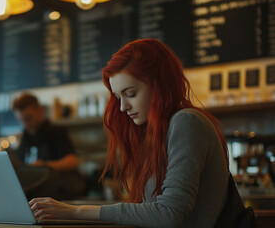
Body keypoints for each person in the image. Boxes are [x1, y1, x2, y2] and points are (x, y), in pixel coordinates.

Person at [28, 39, 233, 227]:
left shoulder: (187, 122)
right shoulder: (158, 133)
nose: (122, 107)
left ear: (160, 85)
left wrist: (75, 211)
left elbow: (169, 214)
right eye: (118, 97)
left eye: (131, 94)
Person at [12, 93, 85, 199]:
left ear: (40, 110)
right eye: (21, 120)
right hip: (34, 195)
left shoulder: (56, 132)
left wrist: (44, 165)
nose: (25, 124)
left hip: (59, 195)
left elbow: (72, 161)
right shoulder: (25, 137)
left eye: (28, 118)